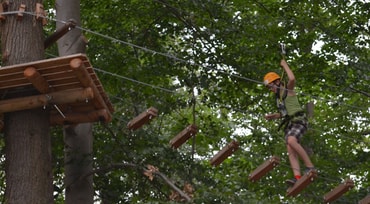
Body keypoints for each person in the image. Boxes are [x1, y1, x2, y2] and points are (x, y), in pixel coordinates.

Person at [263, 59, 315, 185]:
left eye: (271, 86)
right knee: (289, 147)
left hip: (299, 121)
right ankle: (297, 177)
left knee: (291, 140)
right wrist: (274, 116)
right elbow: (284, 113)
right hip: (291, 123)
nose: (271, 89)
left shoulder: (288, 90)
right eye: (269, 88)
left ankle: (310, 167)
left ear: (277, 81)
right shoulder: (278, 99)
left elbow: (292, 79)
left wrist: (284, 65)